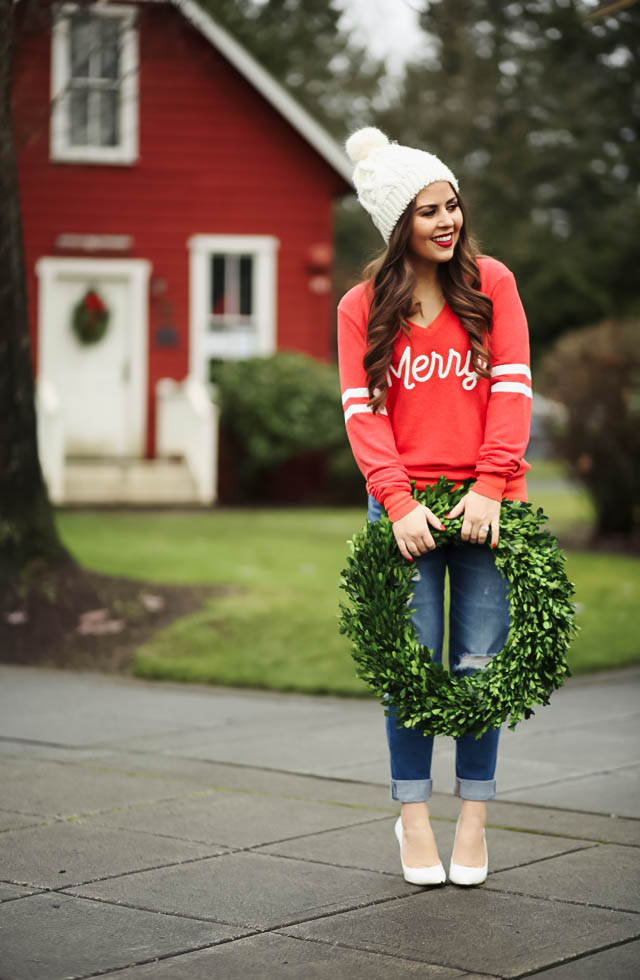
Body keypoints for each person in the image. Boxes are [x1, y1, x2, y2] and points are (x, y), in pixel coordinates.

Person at [337, 128, 532, 887]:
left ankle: (474, 817)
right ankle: (413, 816)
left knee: (481, 666)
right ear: (397, 226)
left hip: (489, 504)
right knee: (412, 671)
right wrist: (397, 502)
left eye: (452, 205)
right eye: (428, 211)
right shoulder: (361, 307)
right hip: (406, 512)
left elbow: (511, 390)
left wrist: (491, 485)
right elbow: (363, 411)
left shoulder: (494, 285)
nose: (448, 221)